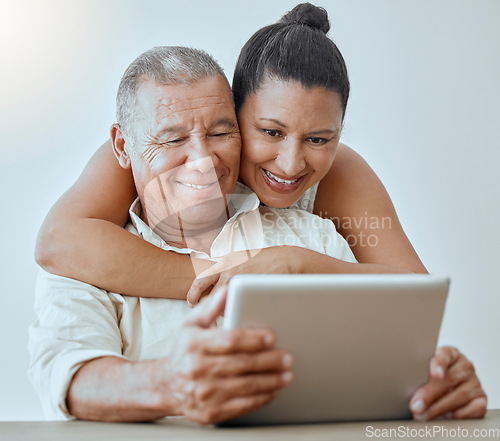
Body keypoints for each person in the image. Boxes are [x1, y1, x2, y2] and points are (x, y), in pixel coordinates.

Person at [33, 3, 486, 420]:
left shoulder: (321, 229)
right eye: (270, 131)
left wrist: (434, 381)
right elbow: (68, 360)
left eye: (219, 131)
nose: (290, 163)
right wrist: (221, 286)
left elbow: (409, 310)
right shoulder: (101, 230)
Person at [29, 46, 357, 423]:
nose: (203, 160)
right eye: (172, 140)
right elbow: (71, 379)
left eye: (220, 132)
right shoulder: (85, 259)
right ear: (123, 146)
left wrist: (431, 379)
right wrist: (169, 385)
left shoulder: (315, 238)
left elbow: (380, 355)